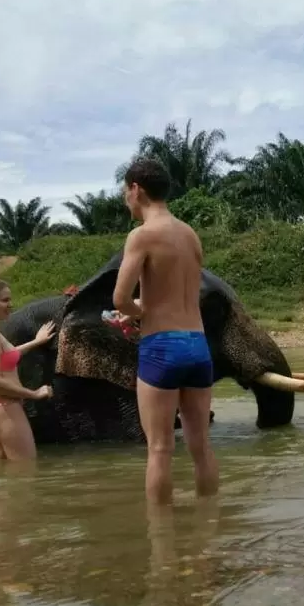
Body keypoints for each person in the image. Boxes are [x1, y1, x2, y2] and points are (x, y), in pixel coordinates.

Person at [112, 157, 218, 505]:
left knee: (159, 449)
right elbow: (184, 292)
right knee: (201, 447)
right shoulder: (190, 235)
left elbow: (121, 298)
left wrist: (137, 313)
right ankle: (208, 528)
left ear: (136, 189)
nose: (126, 199)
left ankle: (162, 549)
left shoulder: (141, 236)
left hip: (161, 346)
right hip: (198, 345)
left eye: (125, 191)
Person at [0, 279, 56, 461]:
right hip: (4, 409)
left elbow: (4, 357)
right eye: (5, 300)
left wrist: (36, 342)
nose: (10, 305)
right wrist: (33, 394)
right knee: (25, 473)